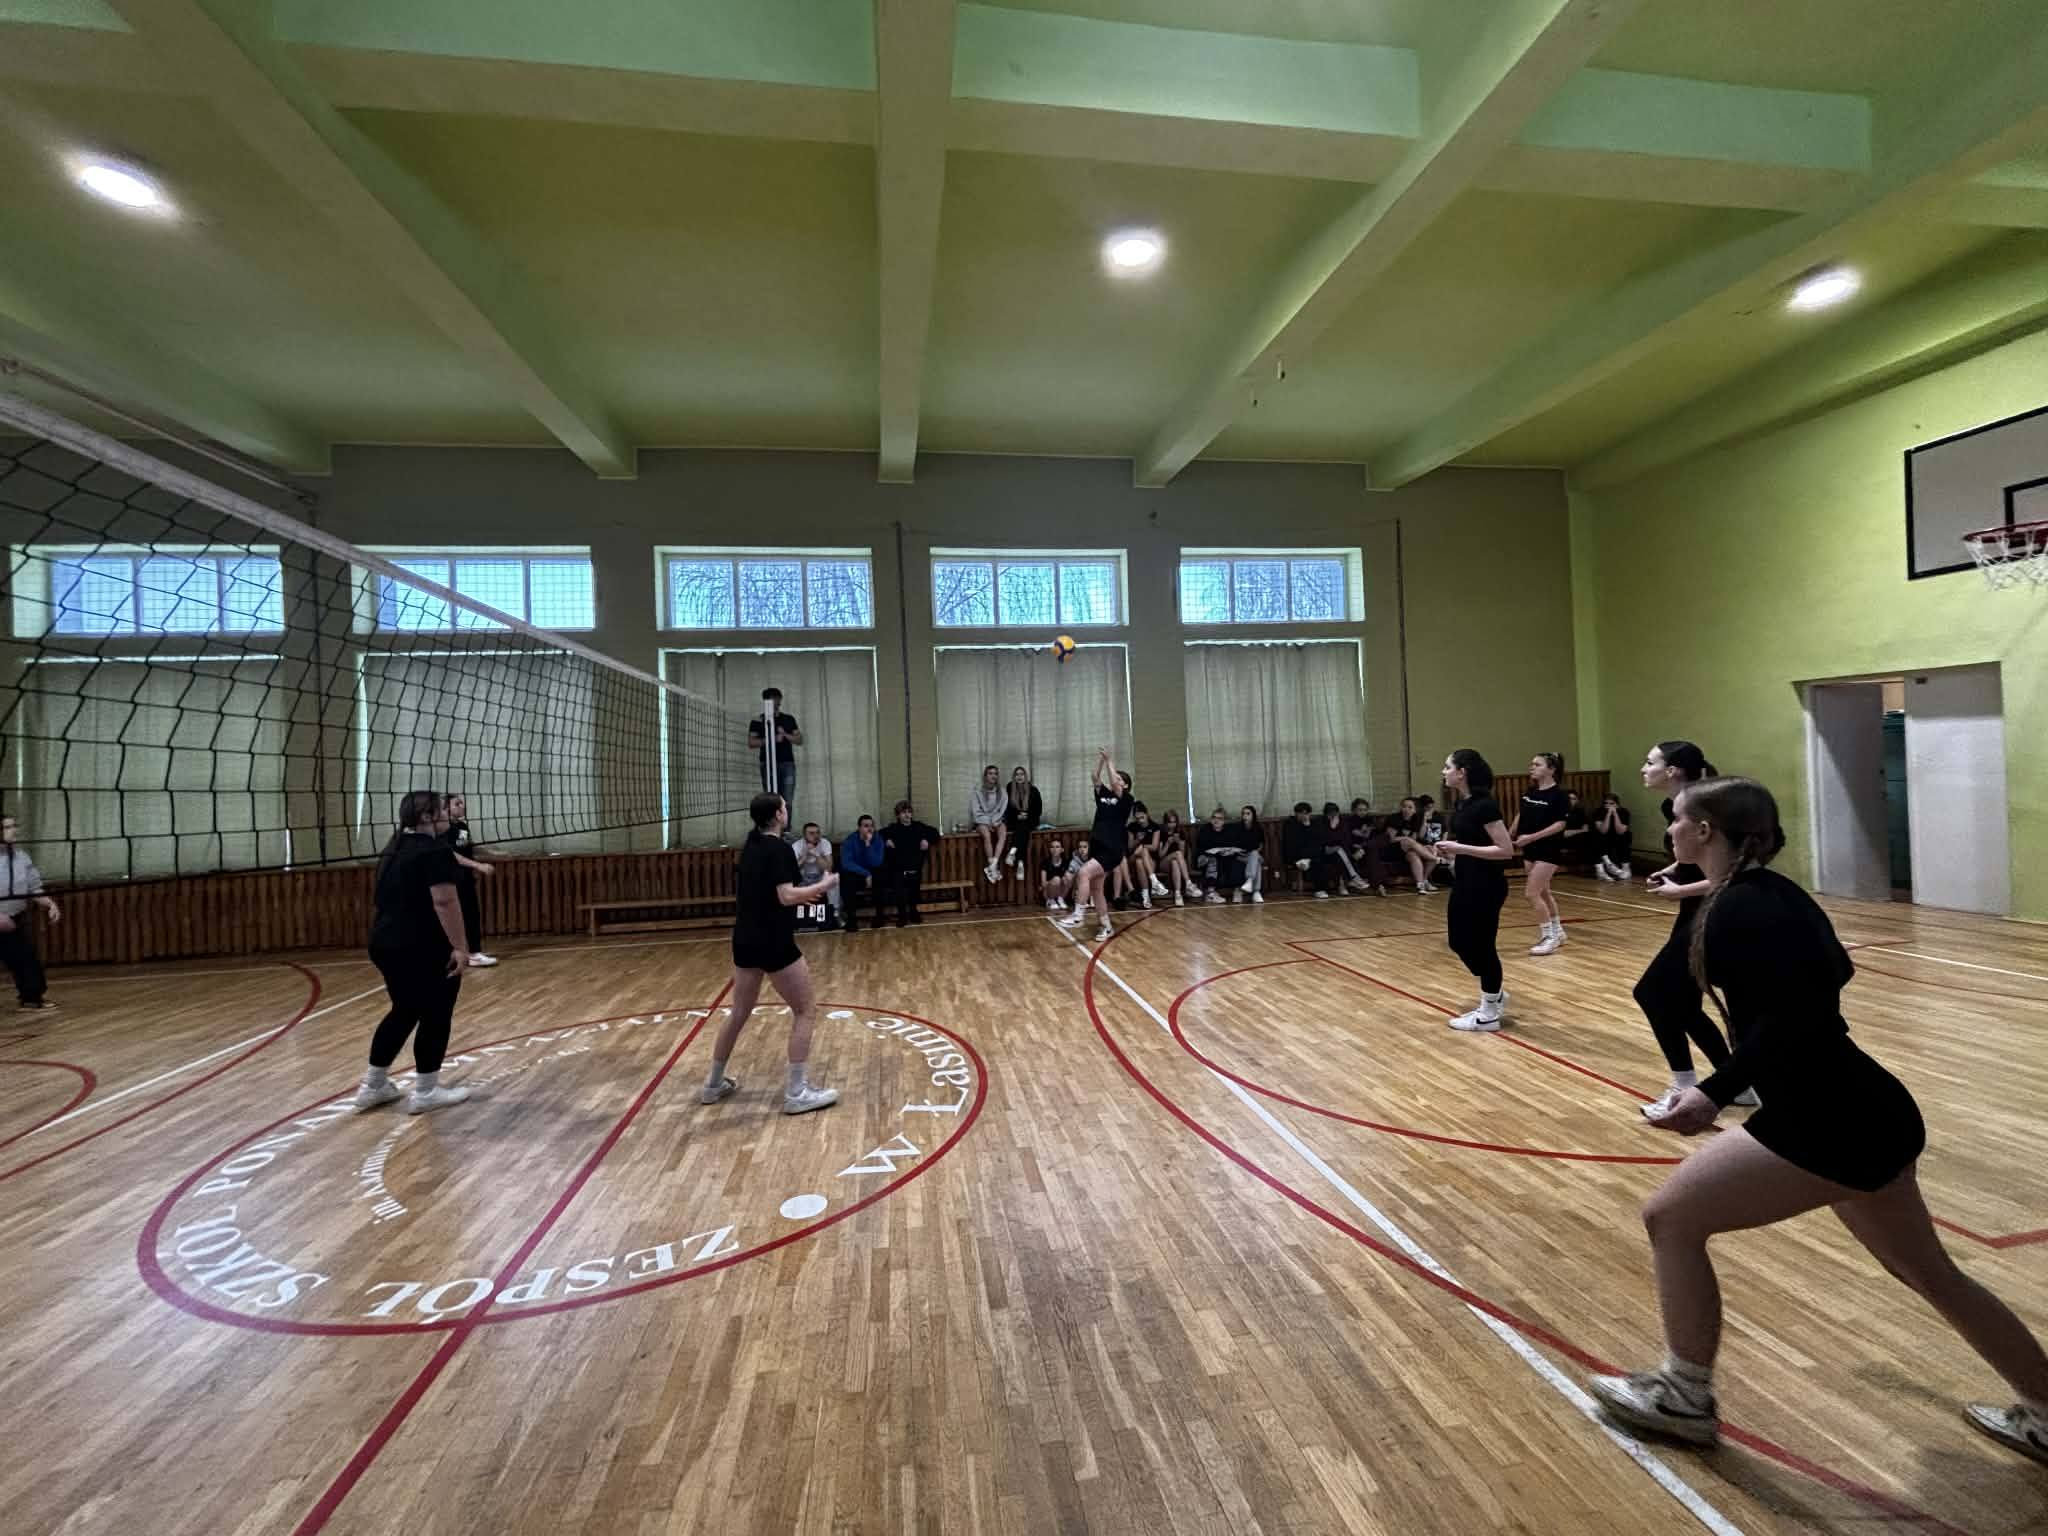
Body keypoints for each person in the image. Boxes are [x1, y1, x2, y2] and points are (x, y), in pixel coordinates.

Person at [1587, 775, 2048, 1468]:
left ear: (1706, 831)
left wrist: (1714, 1091)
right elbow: (1833, 973)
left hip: (1827, 1120)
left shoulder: (1740, 907)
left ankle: (1683, 1394)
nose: (1671, 828)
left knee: (1670, 1218)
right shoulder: (1775, 893)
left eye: (1678, 818)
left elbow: (1796, 1013)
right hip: (1865, 1109)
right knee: (1932, 1273)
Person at [699, 792, 840, 1116]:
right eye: (784, 807)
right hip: (773, 941)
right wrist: (822, 886)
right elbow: (786, 895)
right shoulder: (779, 849)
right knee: (805, 1010)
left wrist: (799, 895)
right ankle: (797, 1092)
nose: (787, 810)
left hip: (745, 939)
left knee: (739, 1011)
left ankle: (713, 1084)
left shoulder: (751, 845)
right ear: (778, 814)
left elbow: (771, 892)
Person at [1635, 741, 1750, 1119]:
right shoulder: (1672, 806)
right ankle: (1737, 1084)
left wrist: (1681, 890)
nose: (1643, 769)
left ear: (1672, 771)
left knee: (1652, 993)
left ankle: (1684, 1086)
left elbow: (1729, 872)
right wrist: (1671, 871)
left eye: (1650, 762)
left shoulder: (1705, 807)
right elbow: (1694, 860)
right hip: (1691, 913)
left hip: (1711, 912)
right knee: (1683, 1004)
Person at [352, 790, 474, 1116]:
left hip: (384, 942)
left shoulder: (393, 846)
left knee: (404, 1010)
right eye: (441, 810)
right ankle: (426, 1091)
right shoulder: (434, 850)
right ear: (426, 817)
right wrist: (460, 947)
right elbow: (444, 901)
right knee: (436, 1013)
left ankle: (373, 1086)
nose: (447, 814)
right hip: (421, 945)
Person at [1432, 750, 1514, 1031]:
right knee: (1458, 941)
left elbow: (1505, 850)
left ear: (1462, 772)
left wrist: (1460, 848)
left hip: (1487, 885)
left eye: (1447, 767)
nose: (1444, 772)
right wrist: (1450, 852)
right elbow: (1471, 842)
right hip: (1465, 881)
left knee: (1483, 946)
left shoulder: (1485, 806)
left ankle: (1489, 1013)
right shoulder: (1462, 804)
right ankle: (1495, 991)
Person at [1059, 746, 1130, 944]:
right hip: (1098, 847)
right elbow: (1094, 776)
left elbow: (1115, 783)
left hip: (1112, 849)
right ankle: (1106, 926)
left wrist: (1109, 761)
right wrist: (1101, 760)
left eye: (1120, 780)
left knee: (1083, 873)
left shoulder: (1126, 800)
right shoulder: (1104, 795)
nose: (1115, 781)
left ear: (1125, 786)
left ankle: (1078, 914)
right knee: (1096, 888)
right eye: (1116, 778)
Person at [0, 814, 61, 1013]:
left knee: (26, 958)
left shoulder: (22, 857)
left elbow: (33, 888)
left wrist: (50, 904)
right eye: (7, 827)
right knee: (22, 957)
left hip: (14, 918)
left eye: (14, 826)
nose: (13, 830)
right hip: (1, 918)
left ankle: (31, 999)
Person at [1512, 752, 1571, 956]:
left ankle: (1549, 937)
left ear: (1551, 769)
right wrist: (1510, 834)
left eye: (1537, 764)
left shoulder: (1559, 796)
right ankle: (1558, 931)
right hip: (1529, 850)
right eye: (1532, 764)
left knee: (1532, 893)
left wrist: (1531, 837)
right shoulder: (1531, 792)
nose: (1532, 767)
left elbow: (1559, 825)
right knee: (1544, 892)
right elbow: (1521, 814)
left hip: (1548, 850)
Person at [443, 792, 497, 968]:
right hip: (450, 879)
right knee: (452, 917)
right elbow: (450, 855)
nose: (462, 806)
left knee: (471, 914)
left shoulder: (462, 826)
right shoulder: (442, 829)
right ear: (446, 808)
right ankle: (461, 953)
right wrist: (478, 866)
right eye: (457, 804)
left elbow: (468, 847)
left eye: (462, 803)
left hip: (465, 878)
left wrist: (492, 852)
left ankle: (473, 952)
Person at [746, 686, 802, 820]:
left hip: (787, 763)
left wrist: (785, 734)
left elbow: (799, 740)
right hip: (767, 764)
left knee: (787, 800)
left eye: (777, 699)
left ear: (780, 700)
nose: (775, 702)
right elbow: (751, 743)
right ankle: (772, 828)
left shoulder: (788, 719)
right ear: (765, 701)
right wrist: (771, 739)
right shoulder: (758, 720)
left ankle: (786, 829)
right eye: (771, 699)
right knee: (770, 800)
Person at [880, 800, 937, 927]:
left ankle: (913, 911)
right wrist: (886, 840)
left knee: (914, 887)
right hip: (898, 867)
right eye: (903, 812)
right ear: (898, 815)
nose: (907, 815)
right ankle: (902, 915)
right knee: (898, 887)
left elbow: (935, 833)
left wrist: (926, 839)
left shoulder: (919, 827)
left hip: (914, 866)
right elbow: (879, 834)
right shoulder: (893, 828)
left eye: (909, 812)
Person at [839, 814, 887, 934]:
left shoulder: (878, 839)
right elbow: (846, 863)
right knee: (846, 880)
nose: (869, 829)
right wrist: (866, 874)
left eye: (872, 826)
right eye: (866, 826)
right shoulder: (850, 840)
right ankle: (851, 920)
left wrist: (868, 844)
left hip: (873, 871)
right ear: (859, 828)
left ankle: (879, 917)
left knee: (881, 877)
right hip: (858, 872)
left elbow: (877, 862)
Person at [1283, 801, 1340, 899]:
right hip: (1296, 854)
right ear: (1296, 814)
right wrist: (1305, 827)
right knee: (1317, 861)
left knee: (1328, 857)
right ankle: (1319, 889)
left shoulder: (1314, 824)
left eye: (1306, 813)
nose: (1304, 816)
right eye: (1301, 813)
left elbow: (1319, 840)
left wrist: (1309, 826)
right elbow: (1294, 843)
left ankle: (1336, 886)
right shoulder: (1290, 824)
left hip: (1313, 853)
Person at [1388, 797, 1437, 893]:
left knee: (1417, 854)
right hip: (1393, 849)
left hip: (1408, 849)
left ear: (1415, 810)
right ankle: (1434, 858)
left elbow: (1418, 837)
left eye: (1410, 807)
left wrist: (1424, 820)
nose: (1406, 809)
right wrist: (1406, 839)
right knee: (1409, 841)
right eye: (1404, 806)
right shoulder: (1394, 818)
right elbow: (1391, 839)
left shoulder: (1415, 819)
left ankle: (1421, 883)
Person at [1193, 806, 1241, 905]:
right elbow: (1202, 847)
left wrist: (1228, 851)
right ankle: (1210, 893)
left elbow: (1231, 845)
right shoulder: (1205, 829)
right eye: (1214, 817)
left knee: (1236, 860)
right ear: (1211, 819)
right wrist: (1217, 850)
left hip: (1222, 857)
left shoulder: (1228, 831)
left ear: (1224, 821)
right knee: (1212, 860)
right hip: (1203, 858)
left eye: (1219, 818)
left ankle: (1237, 890)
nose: (1216, 820)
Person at [1346, 798, 1394, 896]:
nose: (1363, 812)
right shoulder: (1350, 821)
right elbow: (1360, 835)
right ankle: (1378, 886)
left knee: (1384, 837)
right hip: (1357, 847)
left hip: (1368, 846)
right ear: (1354, 810)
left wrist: (1368, 831)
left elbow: (1371, 834)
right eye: (1360, 810)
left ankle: (1378, 886)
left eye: (1365, 810)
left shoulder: (1370, 819)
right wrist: (1367, 831)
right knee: (1372, 853)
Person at [1001, 766, 1042, 879]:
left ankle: (1012, 853)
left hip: (1030, 820)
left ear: (1025, 776)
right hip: (1014, 821)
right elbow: (1007, 808)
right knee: (1022, 830)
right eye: (1017, 774)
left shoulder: (1033, 790)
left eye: (1022, 774)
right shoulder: (1010, 788)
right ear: (1014, 777)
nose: (1019, 777)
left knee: (1023, 827)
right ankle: (1020, 863)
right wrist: (1017, 815)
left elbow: (1038, 809)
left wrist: (1027, 815)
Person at [794, 821, 837, 929]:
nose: (816, 836)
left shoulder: (825, 843)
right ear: (804, 835)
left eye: (817, 832)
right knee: (790, 882)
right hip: (802, 880)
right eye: (811, 833)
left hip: (819, 879)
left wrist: (816, 855)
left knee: (833, 880)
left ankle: (835, 914)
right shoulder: (797, 846)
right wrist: (804, 857)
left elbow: (829, 868)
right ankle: (793, 920)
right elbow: (792, 870)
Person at [971, 765, 1008, 882]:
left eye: (995, 773)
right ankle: (992, 867)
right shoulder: (977, 791)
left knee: (1003, 833)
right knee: (986, 835)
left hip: (997, 820)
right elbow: (976, 812)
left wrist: (995, 821)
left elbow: (1002, 810)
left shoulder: (1002, 792)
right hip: (982, 821)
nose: (993, 776)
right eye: (990, 773)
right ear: (985, 776)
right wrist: (989, 822)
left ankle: (993, 866)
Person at [1123, 801, 1163, 909]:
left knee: (1140, 861)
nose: (1140, 821)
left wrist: (1143, 847)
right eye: (1137, 818)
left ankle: (1145, 895)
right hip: (1133, 857)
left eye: (1142, 817)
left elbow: (1154, 847)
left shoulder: (1155, 827)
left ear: (1147, 814)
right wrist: (1137, 840)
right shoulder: (1132, 827)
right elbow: (1130, 847)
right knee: (1138, 857)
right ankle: (1154, 881)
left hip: (1150, 860)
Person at [1156, 809, 1199, 905]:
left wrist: (1179, 842)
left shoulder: (1180, 832)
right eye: (1170, 822)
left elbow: (1183, 855)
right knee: (1177, 854)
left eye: (1174, 822)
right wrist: (1168, 843)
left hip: (1176, 863)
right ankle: (1188, 883)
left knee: (1175, 862)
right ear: (1166, 823)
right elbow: (1160, 855)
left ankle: (1178, 894)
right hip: (1163, 863)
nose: (1172, 825)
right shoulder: (1162, 833)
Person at [1231, 805, 1267, 904]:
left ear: (1253, 815)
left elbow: (1261, 845)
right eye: (1243, 814)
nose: (1245, 816)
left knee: (1255, 854)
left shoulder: (1258, 828)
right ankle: (1255, 891)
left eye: (1248, 814)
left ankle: (1250, 882)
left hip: (1253, 855)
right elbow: (1235, 845)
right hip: (1241, 856)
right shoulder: (1238, 828)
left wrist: (1254, 852)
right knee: (1257, 861)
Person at [1594, 792, 1634, 881]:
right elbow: (1603, 830)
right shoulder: (1599, 811)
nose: (1608, 805)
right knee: (1597, 835)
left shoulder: (1624, 812)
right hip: (1605, 836)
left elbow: (1621, 831)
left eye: (1611, 803)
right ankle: (1607, 864)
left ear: (1617, 804)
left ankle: (1626, 868)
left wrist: (1615, 814)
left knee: (1626, 835)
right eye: (1606, 803)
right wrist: (1608, 814)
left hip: (1618, 836)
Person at [1039, 835, 1077, 910]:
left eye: (1057, 847)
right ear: (1050, 849)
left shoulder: (1066, 862)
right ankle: (1051, 901)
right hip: (1048, 891)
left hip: (1060, 890)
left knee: (1069, 876)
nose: (1055, 849)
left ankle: (1060, 899)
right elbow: (1043, 883)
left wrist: (1064, 880)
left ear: (1062, 849)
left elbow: (1070, 878)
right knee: (1057, 879)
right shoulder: (1045, 863)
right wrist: (1054, 881)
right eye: (1052, 847)